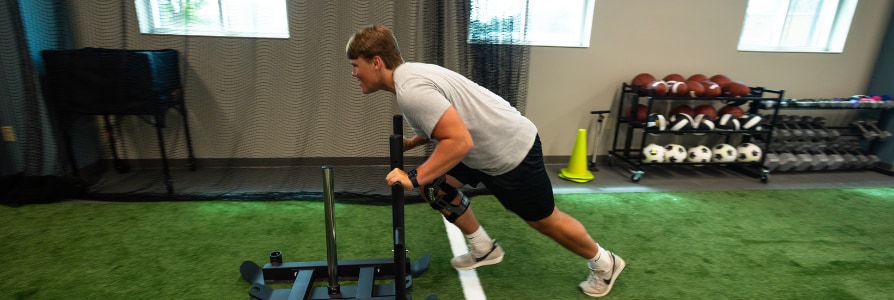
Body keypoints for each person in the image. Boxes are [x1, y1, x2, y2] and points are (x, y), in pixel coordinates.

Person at [346, 25, 625, 297]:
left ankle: (604, 263)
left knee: (545, 221)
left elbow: (459, 141)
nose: (354, 72)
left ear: (377, 62)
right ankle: (484, 248)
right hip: (483, 148)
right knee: (435, 187)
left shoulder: (411, 90)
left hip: (511, 151)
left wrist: (414, 176)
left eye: (356, 65)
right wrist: (412, 143)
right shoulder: (411, 76)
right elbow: (442, 122)